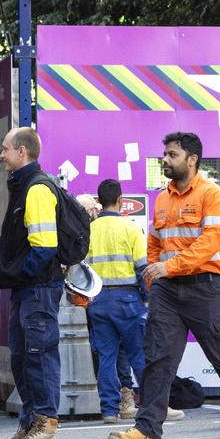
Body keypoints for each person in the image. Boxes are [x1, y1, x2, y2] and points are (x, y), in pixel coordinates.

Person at [107, 132, 220, 439]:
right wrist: (155, 274)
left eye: (172, 155)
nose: (165, 160)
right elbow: (154, 242)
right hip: (167, 290)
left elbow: (209, 243)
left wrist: (169, 267)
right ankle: (147, 430)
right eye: (164, 154)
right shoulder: (162, 198)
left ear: (191, 160)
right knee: (158, 359)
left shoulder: (213, 194)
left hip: (205, 288)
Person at [0, 128, 65, 439]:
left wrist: (19, 274)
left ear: (22, 152)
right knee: (22, 358)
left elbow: (44, 247)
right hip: (29, 289)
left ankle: (44, 426)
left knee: (38, 355)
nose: (2, 155)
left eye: (5, 149)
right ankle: (30, 423)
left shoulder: (35, 190)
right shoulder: (25, 187)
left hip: (37, 288)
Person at [85, 178, 147, 425]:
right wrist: (147, 297)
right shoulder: (131, 228)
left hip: (98, 300)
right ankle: (152, 404)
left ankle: (109, 410)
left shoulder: (89, 230)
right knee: (138, 355)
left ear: (99, 202)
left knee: (106, 357)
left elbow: (82, 271)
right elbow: (142, 268)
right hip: (127, 298)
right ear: (121, 200)